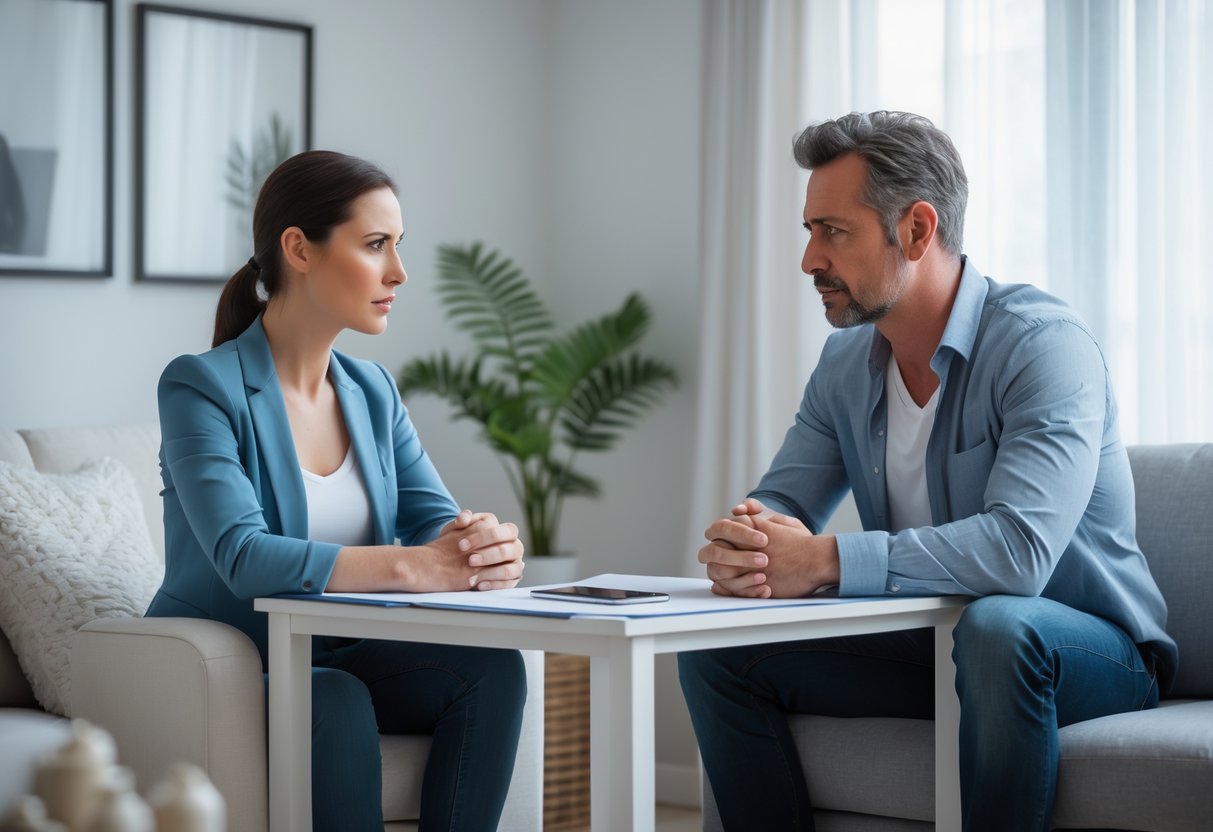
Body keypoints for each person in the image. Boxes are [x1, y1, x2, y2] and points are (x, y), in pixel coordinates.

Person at [678, 111, 1177, 831]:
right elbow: (781, 500)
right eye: (808, 231)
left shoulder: (1043, 348)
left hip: (1083, 650)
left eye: (833, 231)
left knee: (998, 629)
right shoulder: (847, 364)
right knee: (718, 655)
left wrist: (820, 559)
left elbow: (1017, 554)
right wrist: (748, 546)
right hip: (938, 642)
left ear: (915, 229)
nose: (808, 260)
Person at [146, 150, 528, 831]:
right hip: (232, 660)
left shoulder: (371, 391)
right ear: (299, 248)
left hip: (339, 649)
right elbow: (243, 554)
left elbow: (434, 522)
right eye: (375, 245)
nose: (398, 273)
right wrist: (416, 564)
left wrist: (478, 546)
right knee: (335, 696)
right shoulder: (199, 385)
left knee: (492, 671)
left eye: (397, 247)